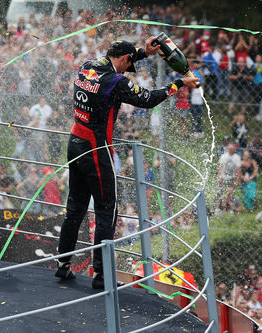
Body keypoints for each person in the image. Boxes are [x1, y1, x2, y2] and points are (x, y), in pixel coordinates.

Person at [55, 38, 199, 289]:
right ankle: (102, 275)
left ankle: (63, 264)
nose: (128, 68)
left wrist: (143, 52)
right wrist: (178, 83)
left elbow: (118, 63)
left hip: (75, 141)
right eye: (129, 62)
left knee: (75, 207)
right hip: (96, 148)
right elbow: (149, 99)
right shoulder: (116, 82)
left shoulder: (88, 65)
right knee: (106, 210)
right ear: (123, 59)